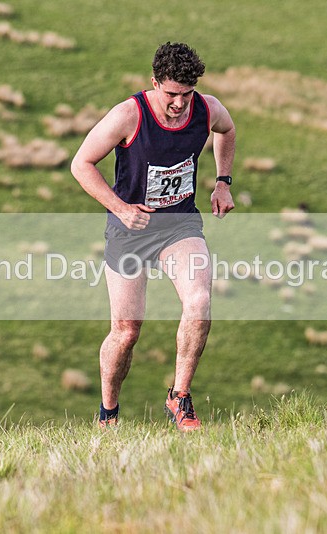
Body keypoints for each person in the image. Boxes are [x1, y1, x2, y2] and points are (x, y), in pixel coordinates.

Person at [70, 42, 236, 431]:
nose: (179, 103)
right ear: (154, 83)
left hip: (179, 225)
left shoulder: (207, 108)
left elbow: (227, 130)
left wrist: (223, 183)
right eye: (171, 94)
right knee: (127, 331)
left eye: (186, 93)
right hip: (129, 230)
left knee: (199, 300)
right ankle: (108, 411)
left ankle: (180, 397)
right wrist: (121, 208)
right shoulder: (129, 114)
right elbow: (81, 164)